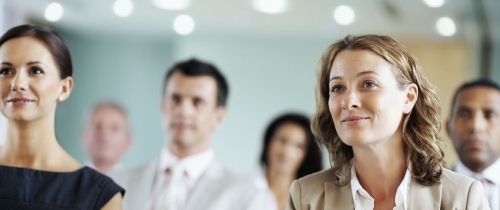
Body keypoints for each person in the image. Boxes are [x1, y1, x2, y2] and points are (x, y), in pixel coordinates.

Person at [286, 35, 490, 210]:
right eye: (338, 88)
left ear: (408, 98)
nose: (348, 102)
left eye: (368, 84)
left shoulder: (462, 197)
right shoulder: (306, 197)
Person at [0, 24, 124, 209]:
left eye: (35, 71)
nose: (18, 84)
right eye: (5, 71)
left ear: (65, 88)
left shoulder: (99, 197)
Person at [111, 58, 235, 210]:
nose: (183, 111)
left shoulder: (244, 196)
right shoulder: (115, 183)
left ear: (219, 116)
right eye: (175, 99)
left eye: (197, 102)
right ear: (163, 105)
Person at [214, 113, 323, 210]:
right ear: (268, 142)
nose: (287, 151)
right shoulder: (238, 188)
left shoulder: (312, 198)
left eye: (299, 146)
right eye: (282, 140)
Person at [447, 79, 500, 210]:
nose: (476, 126)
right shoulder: (426, 191)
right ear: (448, 127)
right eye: (464, 114)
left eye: (490, 115)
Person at [82, 101, 132, 174]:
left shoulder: (137, 183)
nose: (105, 135)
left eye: (114, 128)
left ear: (128, 141)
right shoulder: (66, 181)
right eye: (98, 126)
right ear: (84, 136)